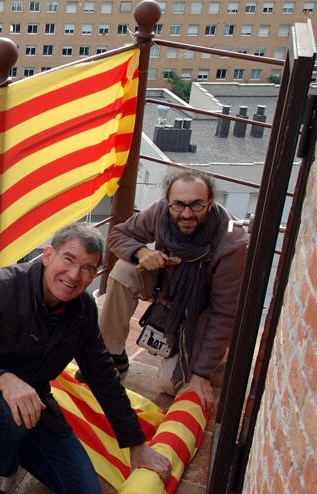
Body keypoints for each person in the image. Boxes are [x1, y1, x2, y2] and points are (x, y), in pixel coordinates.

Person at [0, 222, 171, 494]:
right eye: (69, 259)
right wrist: (4, 380)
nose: (75, 275)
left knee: (83, 493)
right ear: (48, 255)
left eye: (87, 268)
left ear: (94, 276)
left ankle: (3, 440)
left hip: (33, 397)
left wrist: (135, 444)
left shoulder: (83, 311)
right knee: (8, 416)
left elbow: (103, 376)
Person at [99, 170, 248, 410]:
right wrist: (142, 253)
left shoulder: (232, 244)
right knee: (124, 270)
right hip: (166, 288)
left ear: (210, 204)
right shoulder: (161, 212)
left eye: (196, 205)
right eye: (179, 205)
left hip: (200, 309)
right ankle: (111, 354)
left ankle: (217, 353)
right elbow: (118, 235)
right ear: (168, 202)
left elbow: (224, 314)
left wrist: (201, 373)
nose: (187, 214)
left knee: (170, 385)